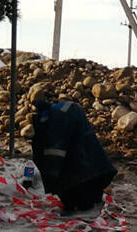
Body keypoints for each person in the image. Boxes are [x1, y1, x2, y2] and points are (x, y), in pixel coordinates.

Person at [31, 88, 116, 219]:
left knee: (79, 197)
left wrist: (52, 176)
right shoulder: (62, 112)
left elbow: (54, 151)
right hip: (96, 169)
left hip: (81, 177)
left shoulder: (53, 121)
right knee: (87, 192)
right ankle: (87, 204)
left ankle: (82, 206)